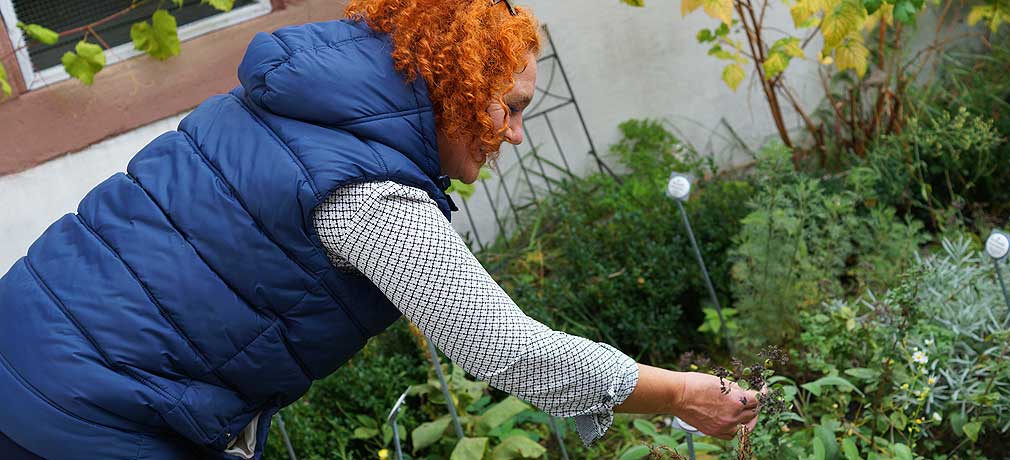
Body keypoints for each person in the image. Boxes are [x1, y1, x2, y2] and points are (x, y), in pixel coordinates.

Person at [0, 1, 759, 459]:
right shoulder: (364, 189)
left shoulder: (298, 109)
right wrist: (684, 394)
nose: (517, 133)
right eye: (512, 104)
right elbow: (506, 349)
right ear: (455, 83)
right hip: (75, 411)